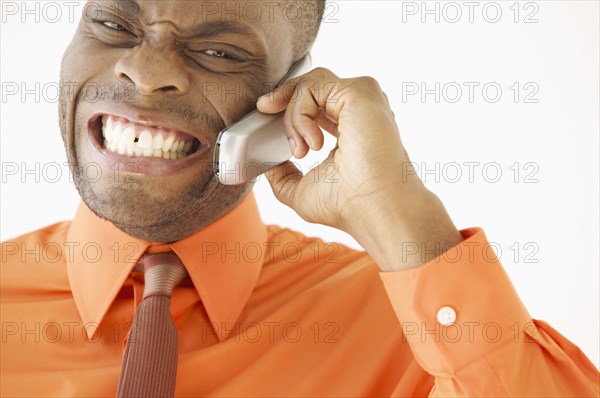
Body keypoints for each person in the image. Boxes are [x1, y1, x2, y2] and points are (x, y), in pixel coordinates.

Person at [1, 1, 598, 397]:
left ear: (288, 95)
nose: (145, 69)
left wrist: (396, 209)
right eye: (113, 24)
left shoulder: (414, 329)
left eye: (218, 52)